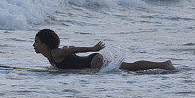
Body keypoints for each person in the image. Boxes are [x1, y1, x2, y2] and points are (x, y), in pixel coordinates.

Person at [33, 28, 175, 71]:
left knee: (129, 69)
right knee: (130, 68)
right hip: (95, 60)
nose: (34, 45)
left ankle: (163, 65)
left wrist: (93, 48)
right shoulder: (49, 56)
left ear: (45, 44)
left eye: (36, 42)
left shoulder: (56, 53)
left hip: (94, 61)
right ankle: (164, 65)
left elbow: (72, 49)